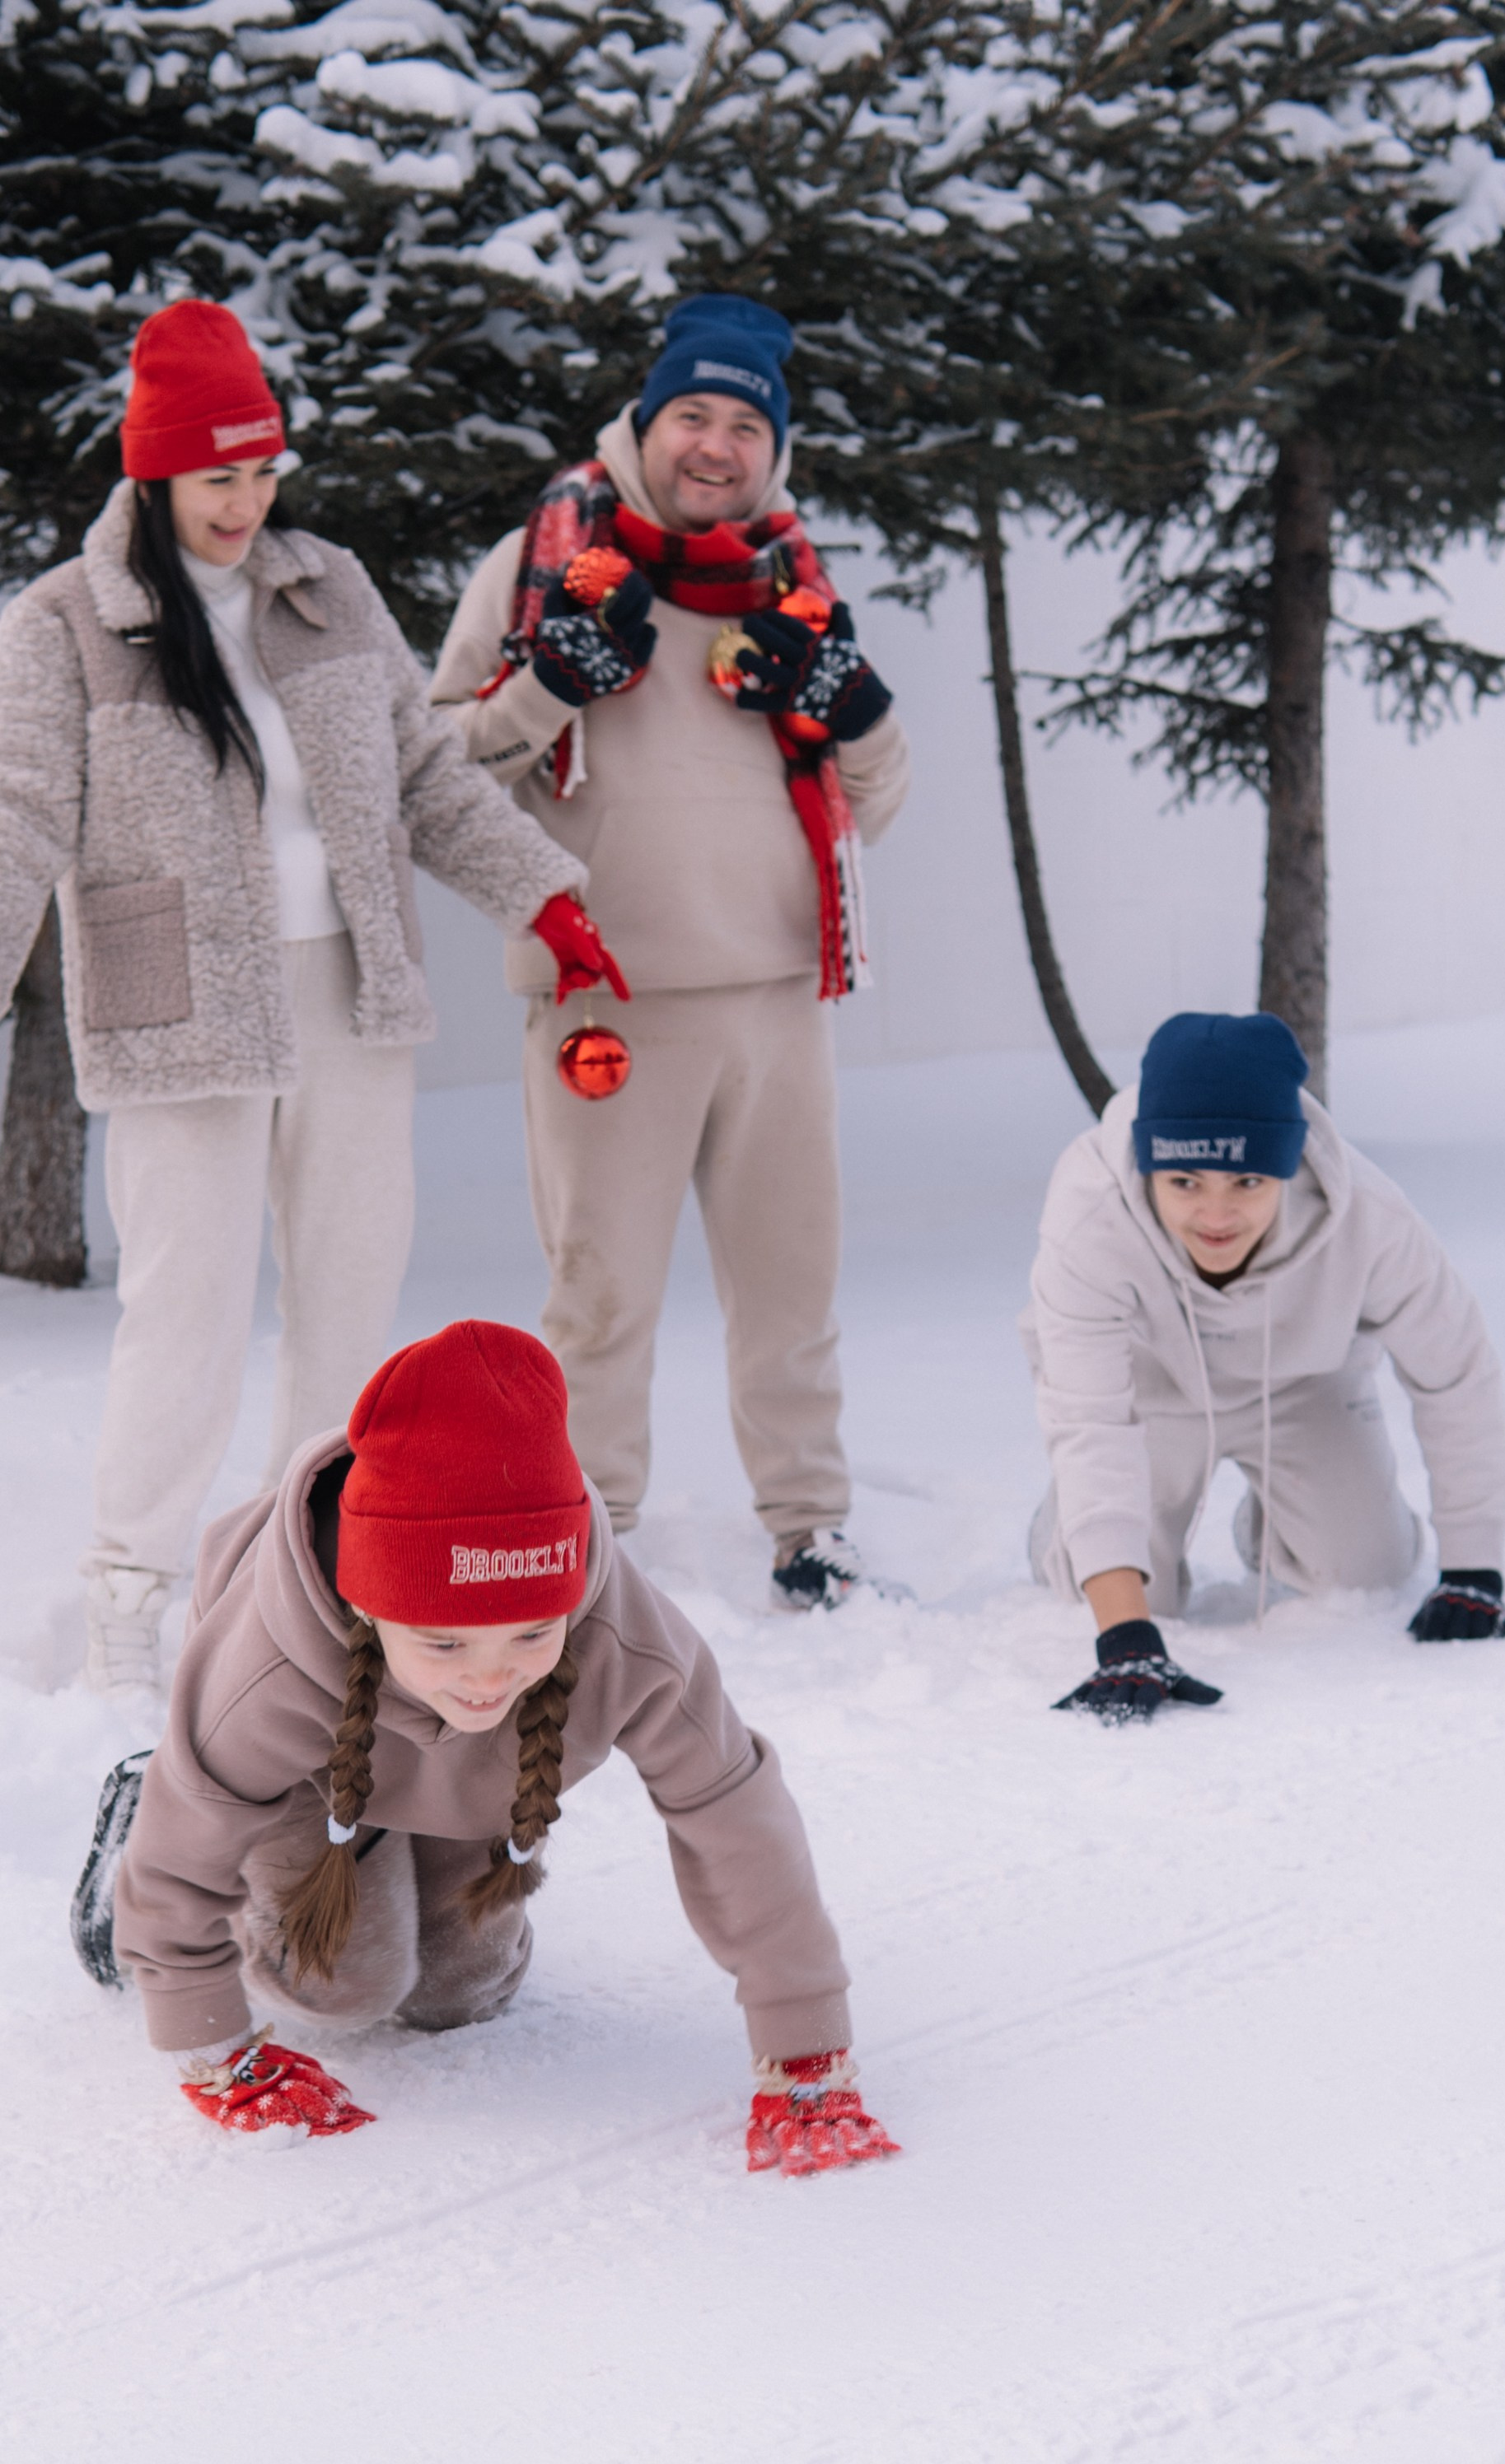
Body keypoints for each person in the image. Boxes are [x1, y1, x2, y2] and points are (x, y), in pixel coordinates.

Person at [0, 301, 621, 1699]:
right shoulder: (65, 627)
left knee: (348, 1300)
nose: (247, 500)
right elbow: (9, 818)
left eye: (264, 468)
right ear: (150, 472)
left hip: (349, 995)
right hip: (179, 1011)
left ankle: (308, 1575)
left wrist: (546, 897)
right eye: (218, 475)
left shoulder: (326, 586)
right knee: (186, 1317)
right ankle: (127, 1600)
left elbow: (426, 781)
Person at [100, 1319, 900, 2175]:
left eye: (530, 1633)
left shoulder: (625, 1640)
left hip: (474, 1776)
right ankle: (136, 1808)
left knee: (462, 1992)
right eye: (443, 1643)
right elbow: (181, 1866)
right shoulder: (261, 1676)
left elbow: (731, 1811)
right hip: (309, 1775)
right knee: (345, 1988)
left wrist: (805, 2050)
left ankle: (414, 1841)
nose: (487, 1678)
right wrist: (212, 2048)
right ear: (370, 1608)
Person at [430, 295, 912, 1610]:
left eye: (745, 423)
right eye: (691, 414)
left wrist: (850, 702)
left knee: (789, 1294)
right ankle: (589, 1539)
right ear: (645, 425)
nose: (715, 445)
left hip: (774, 997)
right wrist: (553, 681)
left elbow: (874, 795)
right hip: (606, 1000)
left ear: (776, 451)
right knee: (598, 1301)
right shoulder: (545, 567)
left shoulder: (794, 591)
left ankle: (811, 1530)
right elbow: (432, 771)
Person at [1024, 1011, 1505, 1722]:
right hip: (1149, 1388)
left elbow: (1457, 1370)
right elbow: (1090, 1415)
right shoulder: (1088, 1213)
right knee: (1131, 1592)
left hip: (1302, 1381)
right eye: (1185, 1181)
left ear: (1286, 1166)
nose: (1214, 1215)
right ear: (1149, 1163)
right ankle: (1063, 1528)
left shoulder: (1366, 1215)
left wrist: (1474, 1566)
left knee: (1367, 1570)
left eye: (1247, 1181)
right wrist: (1125, 1634)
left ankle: (1280, 1518)